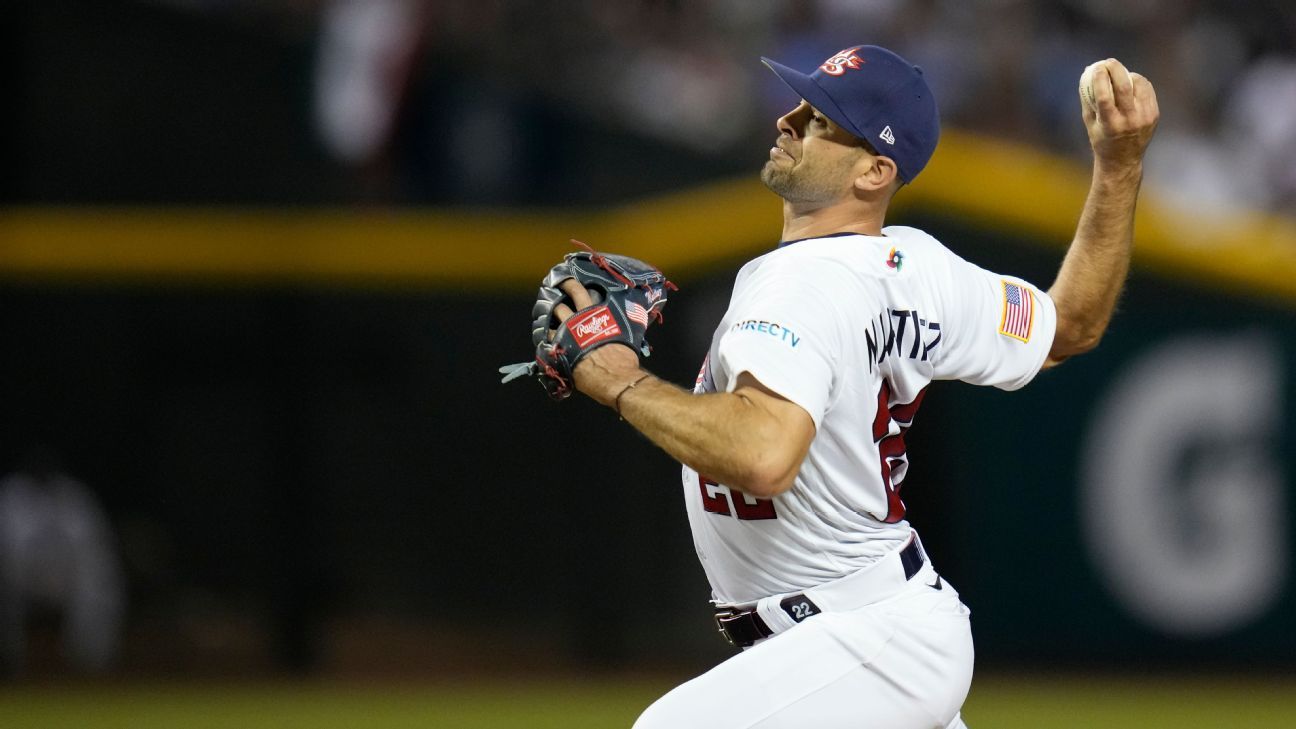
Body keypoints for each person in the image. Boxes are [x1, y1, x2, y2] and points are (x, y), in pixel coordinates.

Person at [548, 45, 1158, 728]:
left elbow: (763, 455)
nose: (788, 118)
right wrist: (1119, 164)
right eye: (803, 105)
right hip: (873, 636)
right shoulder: (916, 269)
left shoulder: (801, 285)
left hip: (864, 639)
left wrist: (622, 381)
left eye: (820, 120)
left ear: (876, 170)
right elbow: (1069, 324)